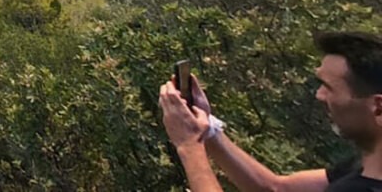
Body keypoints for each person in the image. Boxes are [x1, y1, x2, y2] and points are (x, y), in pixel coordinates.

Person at [159, 31, 382, 192]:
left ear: (378, 108)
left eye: (329, 87)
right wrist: (208, 129)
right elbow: (275, 188)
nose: (319, 95)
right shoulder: (363, 169)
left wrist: (189, 146)